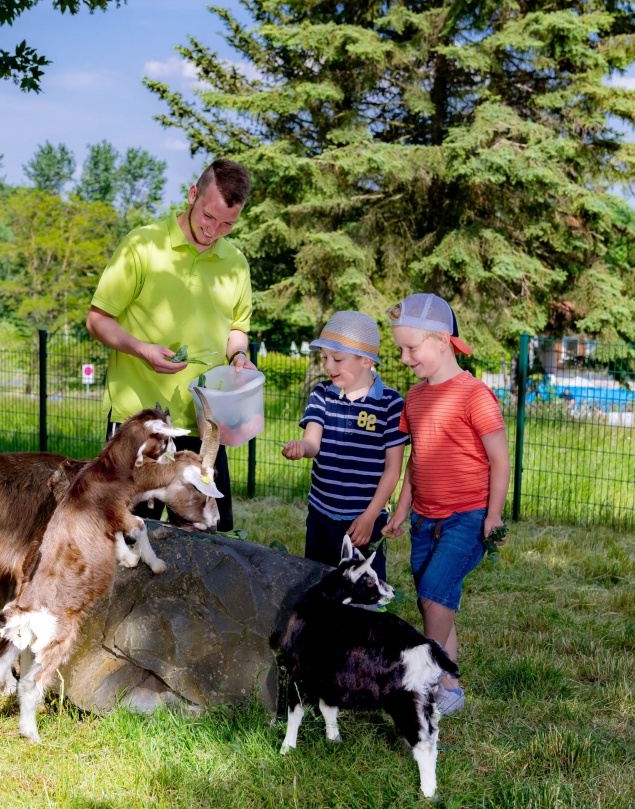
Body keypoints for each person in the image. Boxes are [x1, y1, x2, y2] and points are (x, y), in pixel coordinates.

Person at [86, 159, 255, 531]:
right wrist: (141, 348)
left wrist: (239, 355)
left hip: (205, 423)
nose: (214, 231)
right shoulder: (142, 245)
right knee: (127, 532)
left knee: (207, 536)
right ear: (193, 195)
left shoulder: (235, 264)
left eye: (228, 224)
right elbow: (97, 320)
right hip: (140, 423)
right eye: (209, 216)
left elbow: (237, 328)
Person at [380, 293, 510, 715]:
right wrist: (401, 509)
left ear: (441, 339)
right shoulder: (414, 399)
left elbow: (500, 460)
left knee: (435, 595)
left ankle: (428, 674)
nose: (403, 357)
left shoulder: (474, 395)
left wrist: (493, 515)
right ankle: (450, 688)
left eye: (411, 348)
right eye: (400, 348)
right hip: (424, 519)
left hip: (468, 517)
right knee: (433, 599)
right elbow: (417, 461)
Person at [282, 311, 407, 586]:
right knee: (319, 588)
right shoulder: (321, 394)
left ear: (366, 360)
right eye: (324, 357)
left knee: (363, 595)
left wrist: (371, 516)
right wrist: (299, 448)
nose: (328, 365)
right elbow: (312, 443)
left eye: (337, 359)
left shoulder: (391, 403)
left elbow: (392, 469)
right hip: (321, 515)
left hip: (364, 520)